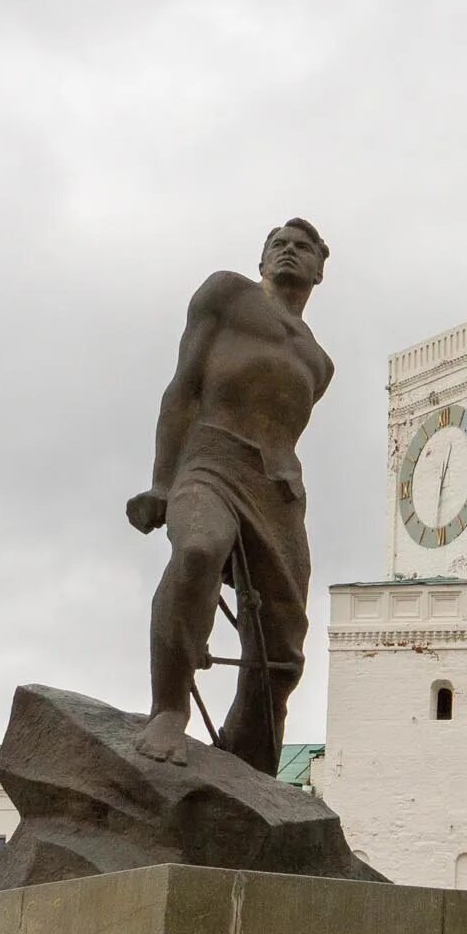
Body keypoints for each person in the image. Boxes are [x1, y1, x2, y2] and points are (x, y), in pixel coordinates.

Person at [125, 219, 333, 772]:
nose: (289, 252)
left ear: (320, 269)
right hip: (211, 462)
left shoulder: (319, 361)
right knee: (198, 549)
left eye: (303, 247)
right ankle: (169, 709)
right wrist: (161, 482)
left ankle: (250, 753)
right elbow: (183, 388)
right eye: (278, 245)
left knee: (283, 652)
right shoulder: (227, 295)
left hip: (280, 491)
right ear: (262, 260)